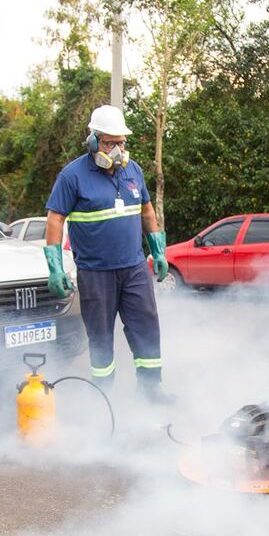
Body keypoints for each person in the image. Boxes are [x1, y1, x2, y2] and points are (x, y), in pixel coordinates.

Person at [43, 104, 175, 404]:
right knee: (100, 338)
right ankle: (102, 396)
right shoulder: (72, 176)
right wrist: (55, 268)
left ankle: (151, 389)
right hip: (95, 272)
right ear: (93, 141)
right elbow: (55, 219)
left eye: (120, 142)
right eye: (109, 143)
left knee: (147, 328)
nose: (116, 149)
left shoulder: (134, 170)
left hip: (134, 268)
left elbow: (147, 210)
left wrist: (158, 250)